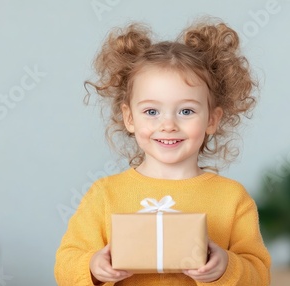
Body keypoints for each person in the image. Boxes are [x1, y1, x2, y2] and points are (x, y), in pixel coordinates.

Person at [55, 18, 271, 285]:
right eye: (151, 111)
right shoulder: (104, 195)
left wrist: (226, 266)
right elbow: (65, 264)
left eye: (186, 111)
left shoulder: (232, 198)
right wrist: (92, 267)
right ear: (129, 118)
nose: (168, 125)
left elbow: (259, 275)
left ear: (212, 120)